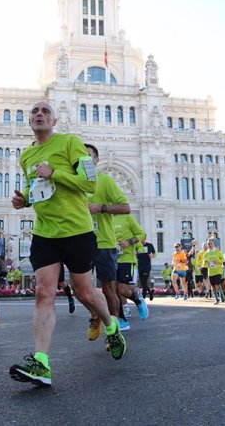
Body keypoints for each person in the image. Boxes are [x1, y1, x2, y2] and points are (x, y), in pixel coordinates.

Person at [9, 101, 125, 387]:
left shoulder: (71, 142)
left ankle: (111, 325)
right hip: (45, 232)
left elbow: (89, 181)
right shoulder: (26, 155)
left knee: (85, 292)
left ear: (55, 120)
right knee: (42, 292)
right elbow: (33, 187)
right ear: (29, 121)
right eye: (34, 111)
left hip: (77, 230)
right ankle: (41, 364)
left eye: (45, 111)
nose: (38, 114)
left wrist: (55, 173)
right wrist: (23, 200)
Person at [84, 143, 131, 339]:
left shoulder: (104, 182)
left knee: (109, 289)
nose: (82, 159)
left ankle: (115, 328)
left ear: (95, 160)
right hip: (81, 243)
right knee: (81, 289)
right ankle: (95, 315)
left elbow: (125, 207)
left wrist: (100, 208)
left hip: (104, 242)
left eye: (87, 156)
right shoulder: (72, 183)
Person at [113, 213, 149, 330]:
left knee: (122, 289)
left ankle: (138, 301)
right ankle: (122, 319)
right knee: (112, 291)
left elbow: (141, 234)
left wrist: (128, 242)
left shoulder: (127, 217)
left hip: (126, 259)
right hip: (110, 259)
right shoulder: (104, 218)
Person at [203, 240, 225, 304]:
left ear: (213, 244)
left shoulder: (217, 251)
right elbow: (204, 264)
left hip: (218, 271)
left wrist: (218, 261)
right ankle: (218, 297)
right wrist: (205, 262)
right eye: (208, 244)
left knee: (217, 284)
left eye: (210, 244)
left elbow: (223, 259)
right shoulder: (206, 253)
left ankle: (219, 297)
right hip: (210, 272)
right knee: (213, 285)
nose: (209, 245)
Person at [136, 234, 156, 301]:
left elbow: (155, 254)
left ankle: (143, 297)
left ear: (145, 238)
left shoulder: (149, 245)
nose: (141, 240)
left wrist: (151, 255)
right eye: (140, 239)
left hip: (147, 266)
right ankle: (150, 292)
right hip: (140, 265)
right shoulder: (137, 246)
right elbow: (134, 254)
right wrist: (136, 253)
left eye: (142, 239)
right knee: (142, 282)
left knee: (144, 281)